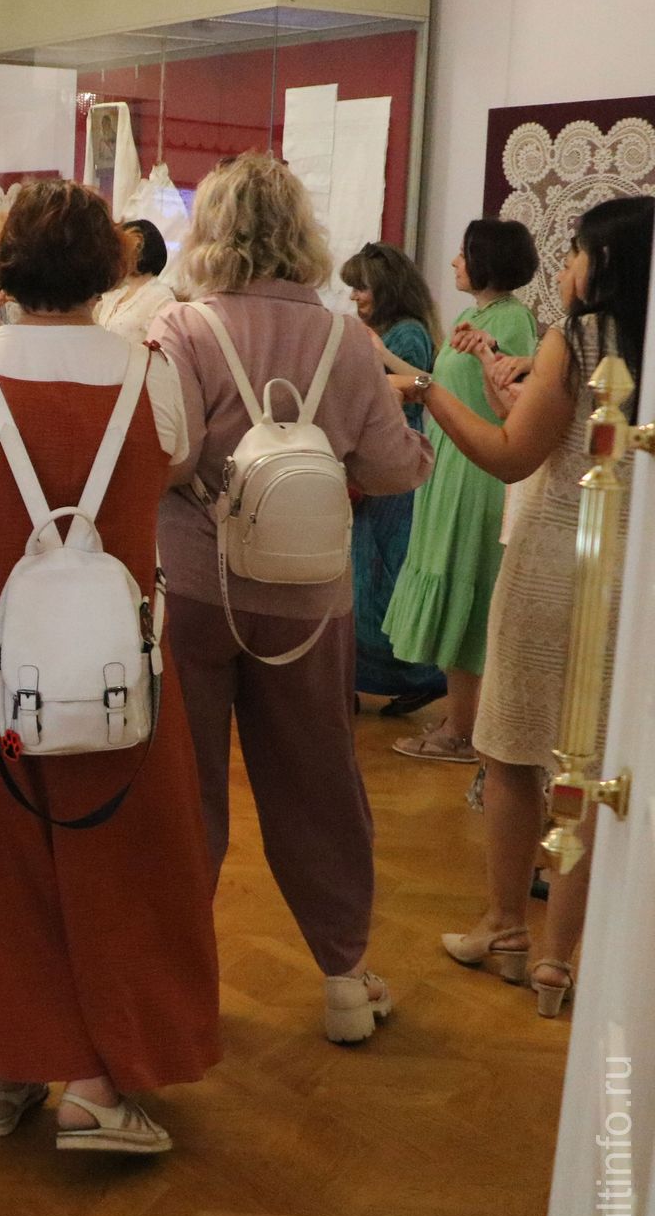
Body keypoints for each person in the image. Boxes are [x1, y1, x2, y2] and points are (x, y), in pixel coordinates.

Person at [0, 178, 218, 1153]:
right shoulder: (149, 373)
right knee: (119, 858)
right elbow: (171, 467)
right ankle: (95, 1081)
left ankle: (3, 1066)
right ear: (109, 265)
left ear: (5, 263)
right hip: (114, 651)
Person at [147, 152, 431, 1044]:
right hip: (309, 598)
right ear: (300, 231)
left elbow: (168, 457)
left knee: (183, 789)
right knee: (319, 784)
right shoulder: (347, 338)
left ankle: (175, 984)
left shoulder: (181, 327)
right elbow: (392, 468)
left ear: (212, 230)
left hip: (196, 586)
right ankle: (344, 977)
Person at [415, 197, 651, 1017]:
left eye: (578, 251)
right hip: (631, 574)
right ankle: (557, 962)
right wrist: (507, 395)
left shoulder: (575, 339)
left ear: (605, 263)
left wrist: (428, 392)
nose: (568, 266)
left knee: (513, 752)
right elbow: (571, 435)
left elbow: (514, 458)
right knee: (590, 768)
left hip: (556, 558)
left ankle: (505, 924)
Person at [383, 219, 541, 764]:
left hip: (477, 472)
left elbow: (511, 397)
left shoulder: (512, 319)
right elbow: (438, 387)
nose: (454, 262)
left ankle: (463, 730)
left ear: (485, 261)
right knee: (451, 580)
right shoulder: (473, 318)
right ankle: (460, 720)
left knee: (464, 587)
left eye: (463, 253)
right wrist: (380, 357)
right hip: (454, 463)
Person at [340, 242, 449, 714]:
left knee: (377, 580)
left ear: (385, 289)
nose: (354, 297)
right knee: (368, 577)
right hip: (386, 462)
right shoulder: (393, 332)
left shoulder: (405, 335)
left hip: (395, 467)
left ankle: (419, 675)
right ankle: (364, 678)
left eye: (361, 288)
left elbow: (413, 390)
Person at [94, 218, 176, 346]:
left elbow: (163, 346)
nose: (116, 253)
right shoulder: (115, 294)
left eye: (124, 247)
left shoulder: (160, 297)